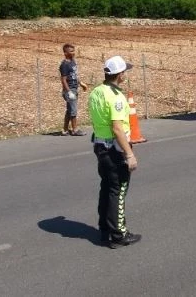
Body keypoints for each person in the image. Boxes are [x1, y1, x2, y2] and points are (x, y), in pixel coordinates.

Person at [88, 55, 141, 248]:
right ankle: (119, 233)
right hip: (114, 148)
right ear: (119, 75)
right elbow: (117, 127)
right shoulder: (116, 96)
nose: (125, 74)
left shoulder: (96, 92)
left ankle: (105, 229)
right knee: (118, 190)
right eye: (124, 71)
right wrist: (129, 154)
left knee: (107, 188)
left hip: (100, 146)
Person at [59, 43, 88, 136]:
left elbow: (74, 75)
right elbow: (63, 80)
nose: (73, 53)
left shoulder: (73, 61)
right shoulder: (64, 65)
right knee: (73, 110)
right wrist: (69, 92)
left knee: (69, 110)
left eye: (73, 51)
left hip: (74, 88)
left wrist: (81, 83)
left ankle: (65, 129)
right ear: (65, 53)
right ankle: (75, 130)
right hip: (70, 89)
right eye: (71, 51)